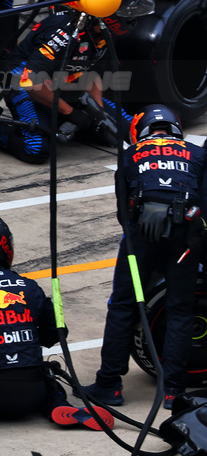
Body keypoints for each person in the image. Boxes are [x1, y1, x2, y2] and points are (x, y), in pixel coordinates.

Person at [80, 106, 207, 411]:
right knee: (179, 310)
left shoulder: (130, 154)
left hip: (142, 234)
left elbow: (122, 210)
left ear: (141, 129)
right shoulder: (197, 153)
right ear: (176, 128)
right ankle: (173, 391)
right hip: (185, 232)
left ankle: (109, 384)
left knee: (123, 305)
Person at [0, 215, 114, 433]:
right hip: (33, 393)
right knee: (49, 375)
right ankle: (59, 405)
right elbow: (57, 331)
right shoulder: (28, 286)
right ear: (5, 246)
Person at [0, 8, 129, 164]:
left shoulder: (102, 34)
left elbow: (93, 75)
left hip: (65, 87)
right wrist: (69, 112)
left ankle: (61, 122)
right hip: (26, 85)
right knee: (35, 149)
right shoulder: (63, 34)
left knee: (125, 129)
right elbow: (32, 82)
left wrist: (98, 113)